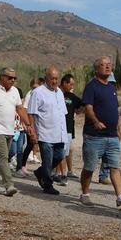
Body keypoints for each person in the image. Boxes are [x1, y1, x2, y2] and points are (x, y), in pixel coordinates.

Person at [80, 57, 121, 210]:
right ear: (96, 68)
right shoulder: (91, 86)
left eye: (109, 65)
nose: (107, 67)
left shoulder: (112, 87)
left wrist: (119, 128)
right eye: (103, 65)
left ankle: (120, 197)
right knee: (89, 167)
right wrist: (95, 121)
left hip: (112, 135)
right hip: (94, 135)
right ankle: (85, 194)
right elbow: (88, 107)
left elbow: (115, 110)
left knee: (115, 166)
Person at [0, 67, 33, 197]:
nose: (12, 80)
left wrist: (28, 124)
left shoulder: (14, 91)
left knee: (1, 156)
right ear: (2, 77)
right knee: (4, 156)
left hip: (10, 129)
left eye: (14, 78)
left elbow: (20, 109)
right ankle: (8, 185)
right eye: (10, 78)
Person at [27, 67, 70, 195]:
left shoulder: (60, 93)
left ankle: (40, 172)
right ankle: (47, 184)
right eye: (52, 78)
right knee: (47, 160)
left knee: (60, 156)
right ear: (46, 78)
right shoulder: (38, 92)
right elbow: (31, 113)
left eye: (56, 78)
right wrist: (33, 132)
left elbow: (63, 113)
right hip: (45, 134)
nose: (55, 81)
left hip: (59, 134)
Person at [54, 73, 81, 184]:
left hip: (69, 129)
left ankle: (61, 173)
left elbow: (81, 105)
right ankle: (61, 174)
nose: (72, 87)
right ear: (64, 83)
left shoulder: (71, 96)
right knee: (61, 152)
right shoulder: (55, 93)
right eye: (70, 84)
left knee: (66, 151)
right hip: (57, 128)